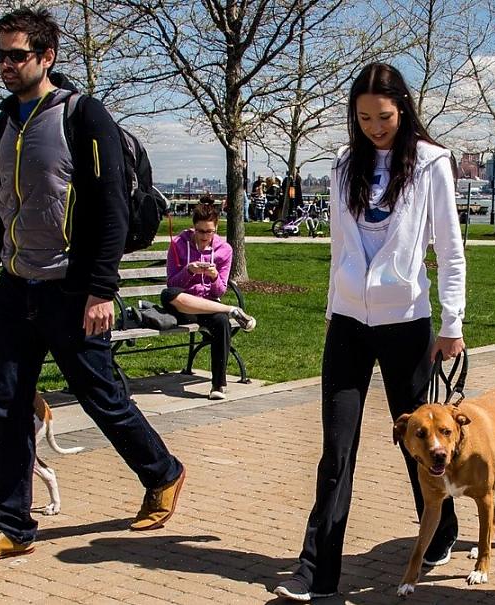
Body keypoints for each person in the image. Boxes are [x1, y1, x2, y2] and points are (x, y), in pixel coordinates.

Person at [0, 7, 185, 567]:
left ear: (46, 56)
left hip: (71, 290)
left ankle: (163, 471)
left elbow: (108, 209)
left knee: (100, 395)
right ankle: (11, 525)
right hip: (15, 286)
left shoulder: (84, 117)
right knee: (8, 404)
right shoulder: (4, 120)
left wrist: (101, 289)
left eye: (16, 55)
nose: (5, 65)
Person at [273, 62, 466, 601]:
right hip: (349, 325)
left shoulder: (431, 164)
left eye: (383, 116)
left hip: (407, 324)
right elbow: (340, 244)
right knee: (336, 449)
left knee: (422, 446)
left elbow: (450, 251)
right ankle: (316, 570)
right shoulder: (341, 163)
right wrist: (337, 303)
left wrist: (452, 322)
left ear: (402, 109)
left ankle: (442, 529)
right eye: (363, 118)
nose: (374, 127)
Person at [161, 199, 256, 400]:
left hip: (208, 305)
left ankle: (218, 385)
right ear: (193, 226)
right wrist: (188, 271)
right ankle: (232, 310)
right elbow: (172, 283)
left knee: (221, 322)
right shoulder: (178, 245)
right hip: (183, 306)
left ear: (216, 228)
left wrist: (213, 277)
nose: (204, 236)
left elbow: (220, 290)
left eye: (209, 232)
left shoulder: (225, 250)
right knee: (167, 295)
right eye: (200, 231)